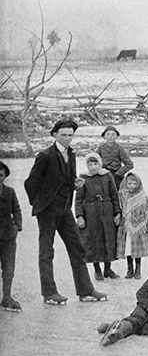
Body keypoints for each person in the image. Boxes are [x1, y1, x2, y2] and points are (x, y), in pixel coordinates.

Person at [24, 119, 107, 304]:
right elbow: (30, 183)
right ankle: (49, 293)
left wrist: (75, 183)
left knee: (77, 248)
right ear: (54, 135)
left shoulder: (71, 153)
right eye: (64, 135)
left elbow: (65, 179)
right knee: (47, 251)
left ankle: (85, 291)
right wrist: (39, 205)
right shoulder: (45, 156)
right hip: (47, 211)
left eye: (70, 135)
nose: (68, 139)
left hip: (65, 210)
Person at [75, 152, 122, 280]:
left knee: (108, 238)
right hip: (91, 213)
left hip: (107, 211)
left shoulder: (107, 176)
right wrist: (79, 216)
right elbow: (78, 199)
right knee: (94, 240)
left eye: (95, 163)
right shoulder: (83, 178)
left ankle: (108, 268)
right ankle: (97, 269)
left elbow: (114, 195)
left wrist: (117, 213)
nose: (93, 167)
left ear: (100, 163)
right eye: (90, 164)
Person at [116, 172, 148, 279]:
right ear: (125, 183)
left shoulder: (142, 195)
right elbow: (119, 208)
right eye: (129, 183)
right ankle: (130, 269)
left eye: (134, 183)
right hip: (126, 226)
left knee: (137, 250)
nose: (132, 186)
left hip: (139, 226)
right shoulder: (122, 195)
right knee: (128, 248)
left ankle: (138, 269)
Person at [0, 161, 23, 312]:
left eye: (1, 175)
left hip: (8, 235)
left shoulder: (10, 192)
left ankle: (6, 297)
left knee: (8, 268)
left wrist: (17, 226)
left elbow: (17, 210)